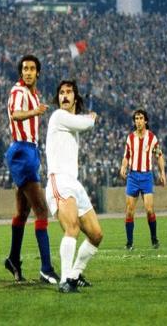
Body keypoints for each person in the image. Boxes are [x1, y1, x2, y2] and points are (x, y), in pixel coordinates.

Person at [4, 54, 59, 284]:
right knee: (41, 210)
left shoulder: (34, 95)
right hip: (22, 151)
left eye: (32, 69)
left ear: (38, 73)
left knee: (23, 212)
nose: (27, 72)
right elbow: (16, 114)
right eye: (24, 69)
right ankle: (46, 268)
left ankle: (13, 259)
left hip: (29, 151)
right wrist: (35, 112)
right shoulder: (19, 91)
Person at [45, 80, 103, 293]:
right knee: (72, 228)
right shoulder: (58, 116)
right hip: (59, 181)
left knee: (96, 235)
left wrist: (85, 118)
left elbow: (80, 125)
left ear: (75, 98)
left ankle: (75, 275)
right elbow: (87, 124)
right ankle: (65, 281)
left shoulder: (71, 124)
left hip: (74, 184)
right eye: (61, 92)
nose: (64, 95)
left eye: (69, 92)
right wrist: (91, 117)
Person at [120, 109, 166, 251]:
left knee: (149, 209)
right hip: (133, 177)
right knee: (129, 211)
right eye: (136, 118)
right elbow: (126, 156)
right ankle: (129, 243)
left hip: (146, 176)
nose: (138, 121)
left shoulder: (152, 138)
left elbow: (159, 156)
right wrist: (123, 167)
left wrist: (162, 173)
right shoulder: (130, 138)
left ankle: (154, 239)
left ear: (145, 121)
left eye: (141, 118)